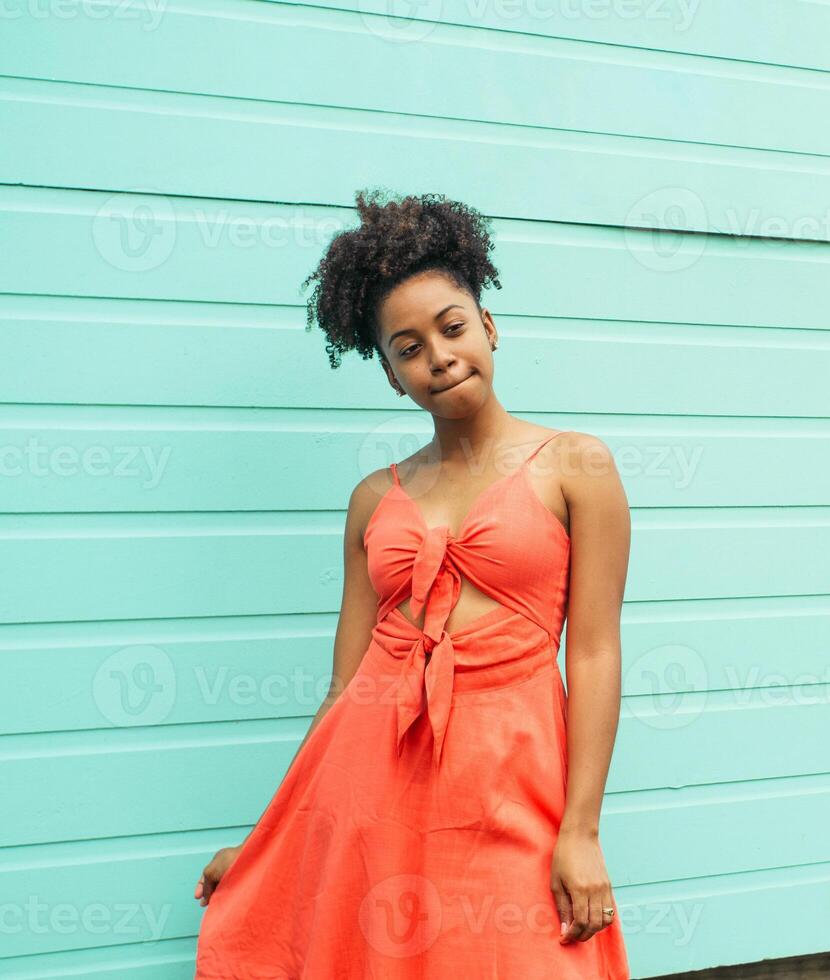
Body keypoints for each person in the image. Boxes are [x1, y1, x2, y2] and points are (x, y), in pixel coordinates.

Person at [192, 190, 632, 978]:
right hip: (373, 787)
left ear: (489, 328)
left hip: (511, 772)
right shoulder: (373, 497)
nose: (438, 354)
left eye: (453, 327)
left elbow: (594, 653)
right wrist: (268, 839)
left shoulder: (578, 465)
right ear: (393, 377)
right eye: (407, 347)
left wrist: (582, 830)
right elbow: (345, 690)